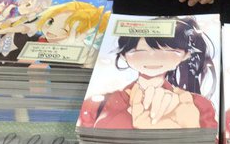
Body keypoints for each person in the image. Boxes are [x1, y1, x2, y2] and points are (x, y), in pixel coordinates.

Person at [78, 17, 218, 130]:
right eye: (140, 52)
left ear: (186, 55)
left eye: (168, 52)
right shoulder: (96, 104)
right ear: (123, 55)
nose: (152, 58)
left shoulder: (199, 105)